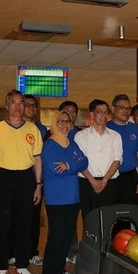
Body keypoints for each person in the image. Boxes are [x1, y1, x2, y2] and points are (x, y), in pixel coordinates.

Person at [0, 90, 43, 274]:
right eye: (14, 102)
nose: (18, 106)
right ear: (7, 106)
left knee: (24, 224)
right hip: (4, 177)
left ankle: (22, 266)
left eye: (21, 103)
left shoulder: (32, 129)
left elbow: (37, 159)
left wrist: (38, 185)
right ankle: (1, 268)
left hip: (26, 178)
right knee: (4, 225)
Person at [40, 111, 88, 274]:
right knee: (56, 235)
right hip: (56, 198)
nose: (64, 125)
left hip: (73, 196)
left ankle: (59, 268)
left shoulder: (72, 144)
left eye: (67, 122)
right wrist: (74, 166)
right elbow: (54, 170)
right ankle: (48, 273)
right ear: (54, 123)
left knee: (67, 235)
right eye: (60, 121)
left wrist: (68, 165)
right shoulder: (50, 145)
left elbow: (85, 162)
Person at [74, 99, 122, 219]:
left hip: (110, 183)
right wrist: (93, 181)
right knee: (89, 218)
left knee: (109, 219)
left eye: (106, 112)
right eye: (99, 112)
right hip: (87, 182)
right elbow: (79, 161)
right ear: (92, 114)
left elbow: (117, 160)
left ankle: (106, 239)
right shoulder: (80, 136)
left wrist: (105, 180)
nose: (103, 115)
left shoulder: (115, 136)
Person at [23, 95, 47, 268]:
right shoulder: (16, 126)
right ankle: (15, 253)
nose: (31, 108)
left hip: (37, 178)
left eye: (34, 106)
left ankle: (32, 253)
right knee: (18, 217)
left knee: (33, 218)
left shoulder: (41, 129)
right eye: (28, 105)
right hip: (20, 176)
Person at [107, 94, 138, 206]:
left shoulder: (135, 129)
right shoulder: (106, 128)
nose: (126, 111)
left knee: (130, 212)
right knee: (111, 211)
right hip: (110, 177)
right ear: (113, 109)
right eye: (122, 107)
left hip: (130, 177)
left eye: (128, 108)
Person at [58, 100, 82, 265]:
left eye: (73, 111)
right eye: (66, 111)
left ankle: (74, 250)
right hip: (62, 183)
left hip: (80, 179)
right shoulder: (54, 136)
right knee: (64, 220)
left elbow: (83, 160)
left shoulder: (80, 134)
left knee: (75, 218)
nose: (70, 114)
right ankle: (66, 250)